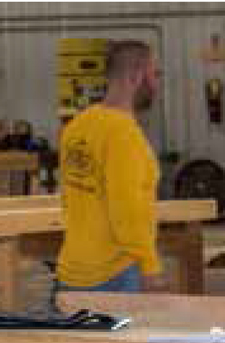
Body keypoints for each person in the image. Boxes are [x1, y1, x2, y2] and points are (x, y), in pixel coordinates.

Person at [56, 40, 162, 294]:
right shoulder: (125, 135)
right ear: (136, 77)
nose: (156, 84)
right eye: (154, 75)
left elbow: (69, 200)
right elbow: (128, 209)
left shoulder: (75, 127)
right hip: (115, 274)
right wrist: (149, 267)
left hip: (71, 272)